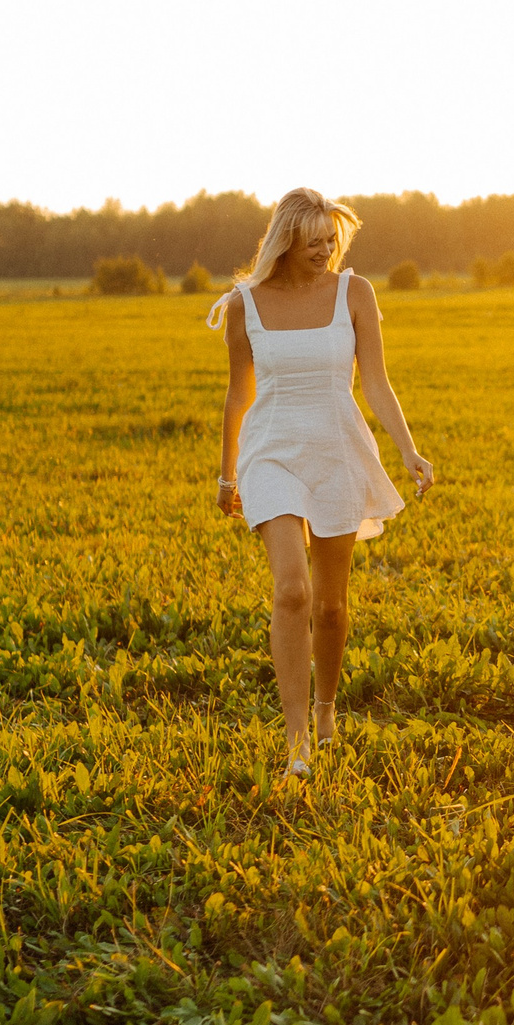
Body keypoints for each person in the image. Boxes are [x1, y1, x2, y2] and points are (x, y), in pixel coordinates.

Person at [213, 189, 435, 774]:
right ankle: (296, 746)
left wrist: (408, 452)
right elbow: (240, 393)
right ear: (285, 240)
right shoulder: (245, 304)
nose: (324, 251)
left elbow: (377, 384)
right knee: (293, 590)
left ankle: (327, 710)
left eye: (331, 240)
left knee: (332, 607)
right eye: (313, 242)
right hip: (271, 452)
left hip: (337, 448)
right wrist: (226, 472)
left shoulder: (353, 293)